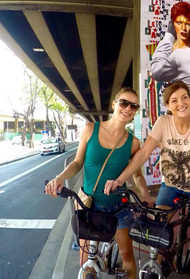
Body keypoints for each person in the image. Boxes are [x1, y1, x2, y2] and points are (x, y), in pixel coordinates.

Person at [104, 81, 190, 279]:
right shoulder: (163, 122)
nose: (181, 103)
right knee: (158, 230)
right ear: (168, 106)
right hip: (171, 186)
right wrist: (119, 180)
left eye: (185, 97)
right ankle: (156, 266)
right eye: (174, 100)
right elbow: (142, 154)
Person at [45, 87, 152, 279]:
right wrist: (59, 178)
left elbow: (137, 176)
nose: (128, 108)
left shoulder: (133, 143)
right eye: (124, 103)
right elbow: (77, 162)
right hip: (89, 206)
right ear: (114, 104)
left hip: (118, 207)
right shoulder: (90, 129)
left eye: (133, 106)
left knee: (127, 255)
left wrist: (144, 194)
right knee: (85, 262)